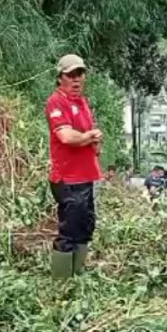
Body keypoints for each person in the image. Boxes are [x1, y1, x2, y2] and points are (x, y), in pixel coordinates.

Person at [45, 54, 103, 280]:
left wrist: (94, 141)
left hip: (86, 177)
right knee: (68, 232)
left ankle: (77, 277)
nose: (76, 79)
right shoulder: (56, 102)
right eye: (71, 75)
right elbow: (66, 137)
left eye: (80, 74)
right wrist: (90, 136)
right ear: (60, 78)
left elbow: (90, 142)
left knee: (86, 228)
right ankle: (61, 285)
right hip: (68, 179)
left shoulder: (83, 103)